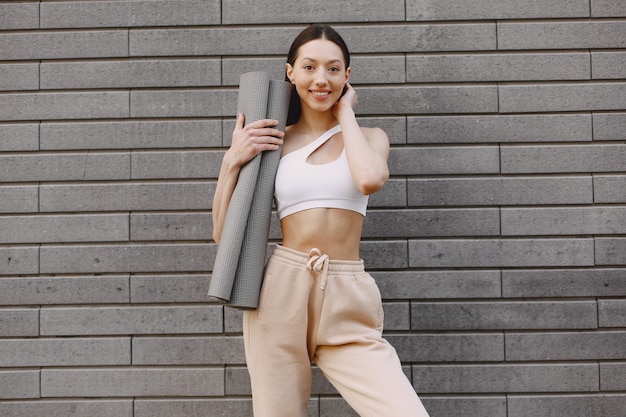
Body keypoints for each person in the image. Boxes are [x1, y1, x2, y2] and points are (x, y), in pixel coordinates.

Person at [212, 24, 430, 417]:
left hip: (347, 292)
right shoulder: (272, 144)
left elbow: (367, 178)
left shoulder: (371, 137)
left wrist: (345, 112)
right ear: (291, 72)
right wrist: (232, 162)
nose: (321, 79)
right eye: (309, 67)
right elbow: (223, 236)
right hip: (281, 292)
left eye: (333, 69)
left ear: (347, 76)